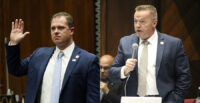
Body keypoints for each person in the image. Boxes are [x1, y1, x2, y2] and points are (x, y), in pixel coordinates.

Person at [6, 12, 100, 103]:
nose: (56, 31)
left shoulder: (88, 60)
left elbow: (92, 98)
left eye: (60, 28)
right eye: (53, 28)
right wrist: (14, 43)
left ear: (71, 31)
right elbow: (15, 69)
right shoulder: (39, 55)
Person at [109, 5, 191, 103]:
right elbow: (112, 74)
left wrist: (175, 99)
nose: (138, 25)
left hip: (163, 99)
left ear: (154, 23)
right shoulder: (125, 42)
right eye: (135, 21)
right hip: (132, 99)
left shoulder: (173, 44)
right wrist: (125, 70)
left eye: (142, 21)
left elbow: (184, 76)